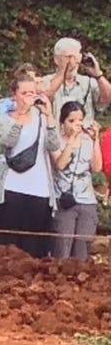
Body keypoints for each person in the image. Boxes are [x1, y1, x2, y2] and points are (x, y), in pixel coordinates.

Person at [0, 76, 60, 257]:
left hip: (39, 190)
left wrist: (49, 116)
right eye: (25, 93)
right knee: (8, 246)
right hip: (11, 188)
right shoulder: (4, 119)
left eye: (33, 93)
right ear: (14, 95)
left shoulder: (43, 119)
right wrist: (21, 115)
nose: (29, 97)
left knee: (36, 248)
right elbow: (8, 141)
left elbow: (54, 145)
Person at [50, 102, 101, 259]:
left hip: (87, 200)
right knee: (63, 244)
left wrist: (96, 139)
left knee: (82, 245)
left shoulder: (87, 141)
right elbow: (60, 164)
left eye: (79, 120)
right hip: (64, 200)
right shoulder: (56, 141)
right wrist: (71, 140)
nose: (76, 124)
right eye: (71, 121)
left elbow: (97, 167)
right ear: (62, 122)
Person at [42, 37, 110, 122]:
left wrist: (98, 75)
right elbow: (45, 95)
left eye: (77, 57)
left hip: (83, 134)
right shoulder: (46, 81)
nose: (74, 61)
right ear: (56, 59)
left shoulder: (88, 83)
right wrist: (63, 71)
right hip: (56, 133)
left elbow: (107, 98)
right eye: (68, 57)